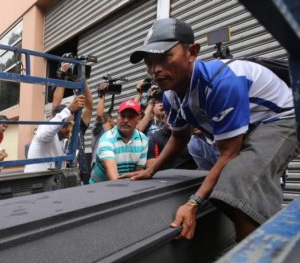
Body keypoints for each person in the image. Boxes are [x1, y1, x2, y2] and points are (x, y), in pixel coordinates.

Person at [125, 18, 298, 242]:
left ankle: (254, 259)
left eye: (165, 57)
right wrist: (151, 170)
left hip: (282, 118)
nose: (155, 70)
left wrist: (193, 203)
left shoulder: (221, 82)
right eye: (149, 62)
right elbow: (179, 136)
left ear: (192, 52)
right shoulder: (171, 96)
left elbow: (228, 153)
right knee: (234, 187)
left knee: (241, 176)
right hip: (249, 127)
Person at [49, 62, 94, 183]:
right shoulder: (54, 131)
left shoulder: (78, 127)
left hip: (82, 174)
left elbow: (89, 106)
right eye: (65, 124)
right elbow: (55, 106)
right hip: (60, 176)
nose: (68, 127)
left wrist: (82, 79)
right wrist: (63, 78)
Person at [89, 99, 148, 183]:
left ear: (138, 119)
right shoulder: (107, 139)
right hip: (98, 188)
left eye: (131, 116)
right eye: (123, 116)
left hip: (125, 185)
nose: (126, 120)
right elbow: (113, 176)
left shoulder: (143, 140)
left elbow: (138, 173)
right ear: (117, 116)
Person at [24, 93, 86, 173]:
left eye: (70, 125)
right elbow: (48, 131)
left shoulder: (61, 139)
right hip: (35, 178)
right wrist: (69, 110)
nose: (69, 129)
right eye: (65, 125)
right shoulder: (44, 128)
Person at [91, 82, 115, 170]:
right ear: (109, 120)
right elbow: (99, 116)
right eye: (113, 120)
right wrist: (102, 95)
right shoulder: (98, 130)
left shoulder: (114, 132)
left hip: (111, 165)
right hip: (98, 166)